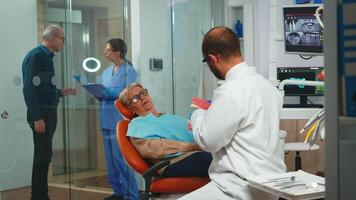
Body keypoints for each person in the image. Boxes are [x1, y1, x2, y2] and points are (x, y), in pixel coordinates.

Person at [180, 26, 287, 200]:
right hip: (269, 189)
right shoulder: (269, 88)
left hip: (237, 189)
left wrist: (198, 114)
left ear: (213, 58)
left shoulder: (230, 91)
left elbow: (209, 141)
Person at [22, 25, 76, 200]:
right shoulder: (36, 56)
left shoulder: (46, 57)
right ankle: (38, 197)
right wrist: (37, 117)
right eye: (62, 39)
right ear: (52, 38)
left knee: (45, 155)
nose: (63, 43)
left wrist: (60, 92)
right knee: (42, 156)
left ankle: (41, 195)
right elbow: (29, 89)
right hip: (42, 115)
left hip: (48, 112)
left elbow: (42, 89)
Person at [118, 83, 212, 177]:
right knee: (215, 160)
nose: (142, 98)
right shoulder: (136, 126)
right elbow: (156, 149)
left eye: (143, 93)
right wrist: (194, 147)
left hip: (197, 152)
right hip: (174, 162)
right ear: (131, 109)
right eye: (135, 98)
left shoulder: (167, 117)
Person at [99, 38, 138, 200]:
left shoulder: (130, 71)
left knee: (120, 159)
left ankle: (131, 195)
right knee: (110, 161)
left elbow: (129, 95)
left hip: (119, 120)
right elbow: (101, 91)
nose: (105, 53)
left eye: (108, 50)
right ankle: (118, 192)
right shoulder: (105, 72)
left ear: (118, 52)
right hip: (105, 118)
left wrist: (111, 94)